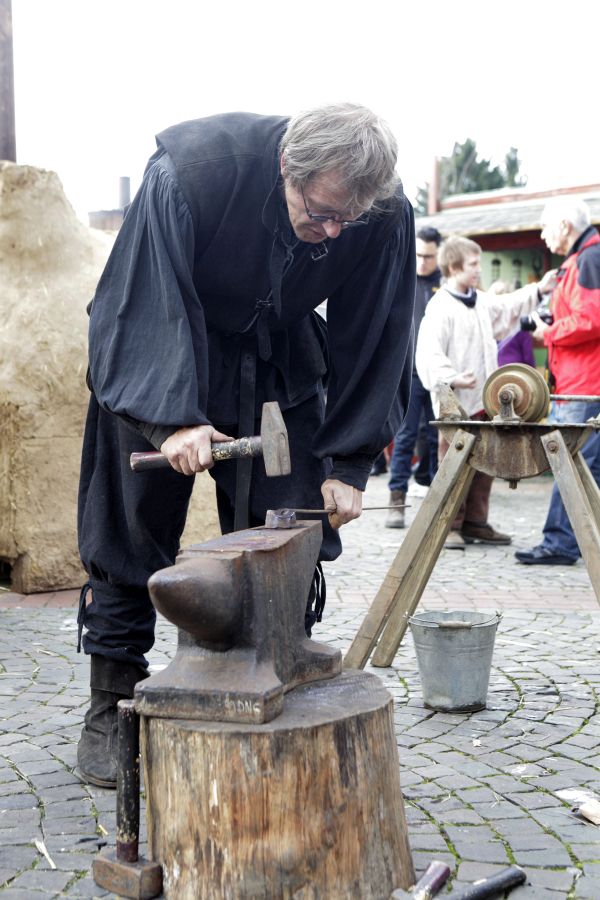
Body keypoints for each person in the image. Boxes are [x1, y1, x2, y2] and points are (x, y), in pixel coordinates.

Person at [76, 104, 417, 786]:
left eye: (346, 220)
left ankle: (271, 671)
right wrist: (170, 420)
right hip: (163, 340)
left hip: (277, 354)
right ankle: (112, 704)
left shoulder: (380, 210)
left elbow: (378, 328)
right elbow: (142, 297)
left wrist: (350, 459)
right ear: (286, 166)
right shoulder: (190, 172)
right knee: (128, 528)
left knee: (291, 525)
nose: (333, 232)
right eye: (320, 213)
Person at [416, 235, 555, 550]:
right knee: (455, 465)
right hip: (455, 404)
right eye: (473, 264)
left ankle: (476, 522)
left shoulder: (479, 300)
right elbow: (428, 352)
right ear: (454, 267)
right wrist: (452, 377)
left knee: (486, 461)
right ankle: (449, 525)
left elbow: (507, 306)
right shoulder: (441, 307)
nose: (478, 270)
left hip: (483, 400)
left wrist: (539, 290)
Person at [516, 198, 600, 566]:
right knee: (586, 465)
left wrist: (548, 331)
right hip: (583, 380)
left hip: (585, 383)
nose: (543, 235)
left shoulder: (588, 259)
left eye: (546, 227)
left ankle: (560, 543)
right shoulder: (583, 259)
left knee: (571, 463)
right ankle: (570, 540)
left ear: (565, 225)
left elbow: (592, 318)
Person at [386, 226, 442, 527]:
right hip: (408, 373)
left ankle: (439, 505)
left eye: (428, 256)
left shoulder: (444, 286)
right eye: (418, 255)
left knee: (437, 438)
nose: (422, 261)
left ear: (438, 254)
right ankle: (396, 499)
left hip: (439, 374)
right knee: (405, 436)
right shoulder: (401, 278)